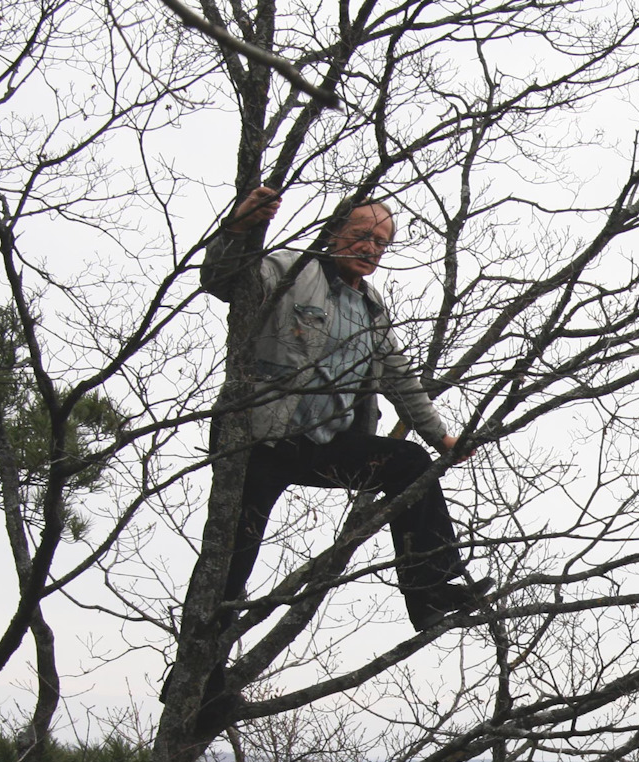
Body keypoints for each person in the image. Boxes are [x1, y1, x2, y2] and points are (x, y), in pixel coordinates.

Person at [200, 185, 487, 631]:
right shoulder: (291, 270)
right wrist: (237, 228)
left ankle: (432, 590)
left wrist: (441, 437)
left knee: (409, 463)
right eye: (361, 235)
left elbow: (400, 378)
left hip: (325, 446)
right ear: (333, 232)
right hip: (260, 439)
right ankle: (203, 684)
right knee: (230, 563)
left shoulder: (372, 310)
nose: (369, 247)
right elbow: (222, 282)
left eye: (380, 242)